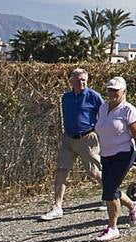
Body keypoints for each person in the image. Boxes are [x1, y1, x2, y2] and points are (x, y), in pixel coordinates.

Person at [40, 67, 103, 220]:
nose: (81, 83)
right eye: (78, 80)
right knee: (61, 170)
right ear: (71, 81)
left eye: (84, 80)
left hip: (87, 138)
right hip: (68, 138)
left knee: (94, 172)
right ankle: (57, 207)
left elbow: (104, 113)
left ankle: (110, 193)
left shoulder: (93, 96)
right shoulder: (66, 97)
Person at [94, 76, 136, 242]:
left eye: (116, 90)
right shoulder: (103, 108)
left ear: (124, 92)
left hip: (124, 153)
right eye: (110, 90)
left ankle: (112, 227)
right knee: (110, 188)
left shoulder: (128, 110)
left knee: (109, 190)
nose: (112, 93)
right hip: (106, 153)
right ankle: (133, 206)